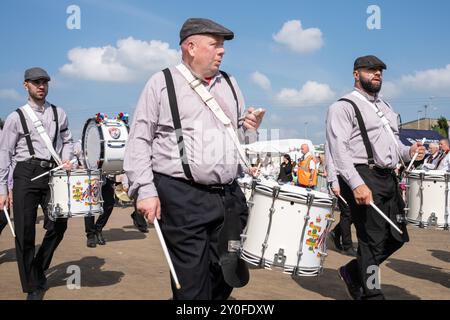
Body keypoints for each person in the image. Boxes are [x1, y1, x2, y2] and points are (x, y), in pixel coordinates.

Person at [124, 18, 265, 300]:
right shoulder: (162, 82)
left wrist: (250, 130)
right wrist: (145, 190)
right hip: (181, 197)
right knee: (191, 285)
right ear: (191, 46)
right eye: (215, 45)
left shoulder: (230, 83)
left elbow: (238, 142)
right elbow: (139, 140)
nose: (222, 52)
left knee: (227, 275)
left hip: (227, 197)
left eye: (222, 46)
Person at [326, 55, 426, 300]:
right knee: (370, 240)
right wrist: (356, 184)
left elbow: (395, 149)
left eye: (380, 70)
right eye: (371, 70)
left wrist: (411, 152)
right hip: (362, 175)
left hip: (388, 177)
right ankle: (372, 293)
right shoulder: (342, 106)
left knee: (398, 235)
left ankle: (353, 270)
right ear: (356, 74)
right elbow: (339, 150)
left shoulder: (387, 108)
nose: (377, 73)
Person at [0, 67, 74, 300]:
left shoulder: (58, 112)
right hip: (25, 173)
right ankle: (33, 285)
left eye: (44, 82)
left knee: (59, 224)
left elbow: (67, 140)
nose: (41, 86)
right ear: (26, 85)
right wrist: (2, 188)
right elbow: (4, 153)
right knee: (24, 232)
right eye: (36, 82)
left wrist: (67, 157)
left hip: (52, 172)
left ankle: (38, 267)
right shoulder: (15, 117)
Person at [73, 139, 117, 247]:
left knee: (109, 204)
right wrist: (78, 166)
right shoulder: (79, 144)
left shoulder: (104, 143)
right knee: (90, 207)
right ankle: (90, 235)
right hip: (89, 179)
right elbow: (72, 157)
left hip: (104, 177)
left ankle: (98, 228)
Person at [325, 143, 357, 257]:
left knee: (354, 212)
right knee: (347, 212)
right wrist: (333, 181)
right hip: (340, 177)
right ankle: (347, 246)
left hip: (352, 176)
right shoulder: (334, 134)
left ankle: (335, 233)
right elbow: (330, 159)